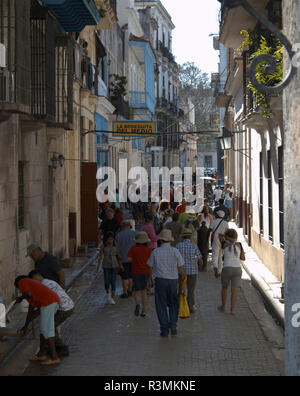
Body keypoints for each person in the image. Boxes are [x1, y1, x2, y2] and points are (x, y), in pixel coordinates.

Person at [148, 230, 185, 337]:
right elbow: (181, 268)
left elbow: (150, 267)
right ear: (170, 241)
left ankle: (164, 329)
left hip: (160, 281)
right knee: (174, 303)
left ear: (161, 240)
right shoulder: (175, 251)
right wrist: (182, 280)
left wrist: (149, 280)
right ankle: (173, 325)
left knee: (161, 305)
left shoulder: (155, 251)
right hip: (173, 281)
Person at [15, 276, 60, 365]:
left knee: (47, 330)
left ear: (17, 284)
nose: (20, 290)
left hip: (49, 303)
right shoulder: (32, 288)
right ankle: (41, 354)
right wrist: (25, 326)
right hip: (49, 302)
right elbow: (30, 311)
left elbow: (28, 293)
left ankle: (54, 357)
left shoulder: (22, 281)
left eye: (19, 289)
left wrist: (21, 298)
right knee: (43, 330)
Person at [28, 270, 74, 356]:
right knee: (50, 326)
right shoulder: (47, 282)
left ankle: (62, 348)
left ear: (37, 277)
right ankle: (53, 346)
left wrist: (36, 313)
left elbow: (47, 302)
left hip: (65, 308)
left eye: (33, 281)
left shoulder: (46, 285)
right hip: (64, 306)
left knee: (50, 327)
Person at [218, 229, 245, 315]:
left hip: (227, 268)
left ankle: (223, 306)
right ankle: (232, 309)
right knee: (234, 290)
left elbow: (219, 235)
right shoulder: (239, 244)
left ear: (226, 236)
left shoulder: (224, 244)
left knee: (224, 288)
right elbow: (243, 258)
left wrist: (227, 238)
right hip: (237, 269)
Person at [176, 229, 203, 313]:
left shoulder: (178, 245)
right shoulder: (194, 246)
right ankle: (190, 307)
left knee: (181, 289)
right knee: (191, 290)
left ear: (182, 237)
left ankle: (179, 306)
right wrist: (200, 267)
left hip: (181, 271)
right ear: (190, 237)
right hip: (192, 271)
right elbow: (200, 259)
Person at [127, 232, 152, 317]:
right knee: (144, 292)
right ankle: (144, 310)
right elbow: (150, 263)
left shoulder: (133, 248)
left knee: (137, 292)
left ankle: (137, 304)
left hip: (136, 272)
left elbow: (129, 259)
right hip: (145, 272)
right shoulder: (148, 250)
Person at [97, 232, 124, 305]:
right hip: (106, 265)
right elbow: (100, 257)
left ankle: (112, 296)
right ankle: (107, 292)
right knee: (106, 280)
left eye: (111, 239)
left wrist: (121, 265)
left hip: (114, 265)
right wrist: (98, 268)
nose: (110, 241)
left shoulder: (115, 245)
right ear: (106, 239)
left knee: (113, 280)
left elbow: (118, 256)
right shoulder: (103, 246)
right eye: (109, 239)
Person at [115, 221, 139, 298]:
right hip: (133, 258)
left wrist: (119, 258)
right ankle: (129, 290)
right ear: (130, 226)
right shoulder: (135, 233)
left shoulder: (118, 235)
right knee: (131, 276)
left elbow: (117, 249)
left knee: (124, 276)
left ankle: (125, 292)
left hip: (123, 258)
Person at [209, 211, 229, 278]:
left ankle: (215, 266)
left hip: (216, 239)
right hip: (223, 239)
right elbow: (227, 232)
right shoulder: (226, 223)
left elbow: (210, 230)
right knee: (221, 255)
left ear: (217, 215)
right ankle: (219, 271)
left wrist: (207, 239)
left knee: (215, 254)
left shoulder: (214, 221)